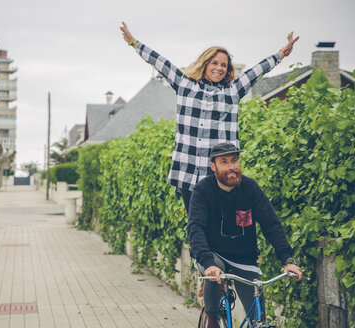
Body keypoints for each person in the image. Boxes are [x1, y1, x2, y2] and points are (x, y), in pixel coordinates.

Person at [120, 22, 299, 214]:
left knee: (219, 228)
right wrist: (133, 42)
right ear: (205, 64)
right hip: (189, 173)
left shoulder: (233, 91)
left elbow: (259, 69)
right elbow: (160, 62)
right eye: (215, 63)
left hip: (220, 176)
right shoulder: (185, 86)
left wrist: (283, 52)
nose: (219, 68)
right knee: (196, 227)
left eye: (224, 65)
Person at [187, 142, 303, 326]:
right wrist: (207, 263)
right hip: (213, 255)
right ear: (213, 166)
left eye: (234, 160)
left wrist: (287, 260)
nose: (231, 166)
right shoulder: (203, 191)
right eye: (224, 161)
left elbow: (271, 224)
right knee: (213, 275)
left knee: (258, 317)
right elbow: (195, 228)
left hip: (244, 260)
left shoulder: (250, 189)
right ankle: (212, 319)